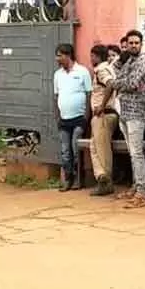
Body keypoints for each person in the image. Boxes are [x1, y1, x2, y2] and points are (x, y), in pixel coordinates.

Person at [108, 29, 145, 209]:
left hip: (137, 112)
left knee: (136, 153)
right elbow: (119, 74)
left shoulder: (144, 62)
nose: (133, 46)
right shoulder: (129, 61)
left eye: (136, 43)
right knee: (131, 152)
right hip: (125, 111)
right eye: (130, 43)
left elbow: (130, 84)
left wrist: (114, 84)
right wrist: (119, 75)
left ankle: (141, 190)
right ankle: (136, 186)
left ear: (141, 44)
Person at [53, 43, 92, 192]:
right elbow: (55, 96)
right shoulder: (58, 75)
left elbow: (89, 94)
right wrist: (57, 115)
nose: (57, 59)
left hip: (79, 118)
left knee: (76, 148)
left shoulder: (82, 72)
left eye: (60, 55)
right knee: (65, 150)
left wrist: (86, 116)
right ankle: (67, 178)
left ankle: (77, 178)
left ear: (68, 55)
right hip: (64, 119)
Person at [89, 44, 119, 197]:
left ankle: (106, 181)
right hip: (105, 114)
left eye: (92, 55)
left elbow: (110, 85)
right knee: (94, 147)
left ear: (96, 56)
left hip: (103, 115)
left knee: (102, 150)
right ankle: (101, 176)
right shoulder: (108, 68)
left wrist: (101, 106)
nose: (91, 58)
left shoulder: (101, 69)